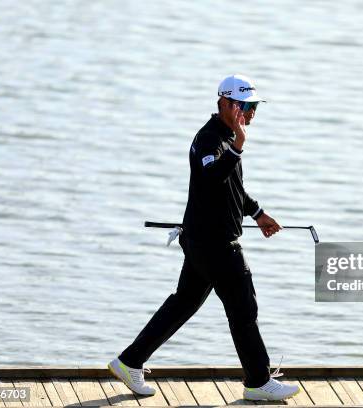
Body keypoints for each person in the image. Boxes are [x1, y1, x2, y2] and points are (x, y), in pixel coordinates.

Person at [108, 74, 300, 401]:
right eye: (245, 105)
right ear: (224, 103)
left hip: (202, 242)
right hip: (216, 245)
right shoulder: (211, 139)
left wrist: (257, 213)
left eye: (254, 106)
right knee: (243, 310)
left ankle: (130, 361)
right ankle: (258, 381)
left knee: (183, 304)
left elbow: (232, 188)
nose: (251, 112)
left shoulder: (226, 137)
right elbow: (212, 178)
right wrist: (238, 147)